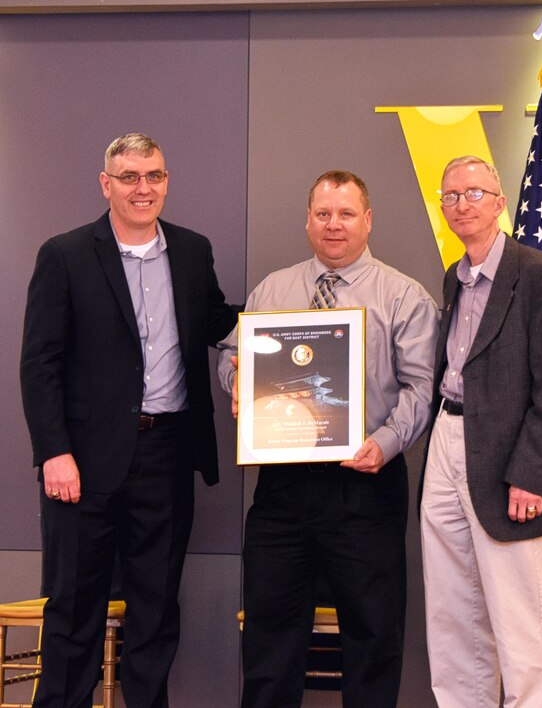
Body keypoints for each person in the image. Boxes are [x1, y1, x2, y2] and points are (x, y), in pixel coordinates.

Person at [20, 133, 239, 708]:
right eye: (130, 177)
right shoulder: (64, 254)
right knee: (72, 609)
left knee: (156, 607)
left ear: (166, 181)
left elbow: (217, 322)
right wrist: (53, 452)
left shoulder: (193, 251)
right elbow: (38, 363)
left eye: (155, 176)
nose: (144, 188)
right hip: (82, 463)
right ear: (106, 184)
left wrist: (292, 336)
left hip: (166, 454)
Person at [218, 170, 439, 708]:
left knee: (372, 638)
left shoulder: (403, 295)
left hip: (366, 487)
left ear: (368, 221)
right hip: (282, 491)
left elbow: (422, 387)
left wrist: (384, 445)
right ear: (308, 220)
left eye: (345, 214)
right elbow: (231, 353)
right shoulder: (274, 288)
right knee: (269, 639)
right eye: (323, 214)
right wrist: (238, 382)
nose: (333, 225)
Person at [419, 155, 542, 707]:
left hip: (509, 458)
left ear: (499, 202)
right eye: (450, 196)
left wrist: (531, 475)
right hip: (447, 440)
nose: (461, 205)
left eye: (473, 193)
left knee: (523, 622)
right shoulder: (454, 276)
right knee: (453, 613)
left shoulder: (539, 274)